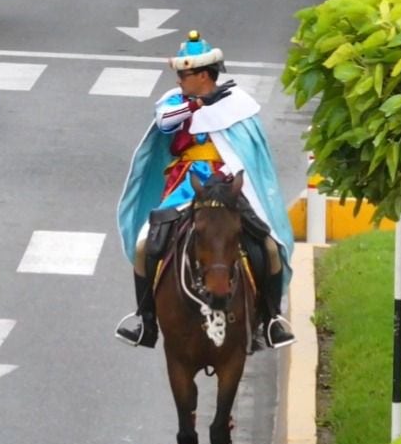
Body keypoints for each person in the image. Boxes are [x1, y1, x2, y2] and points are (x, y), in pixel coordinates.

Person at [115, 31, 297, 349]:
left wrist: (223, 176)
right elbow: (165, 123)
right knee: (146, 243)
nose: (179, 80)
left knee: (267, 245)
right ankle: (146, 320)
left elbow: (245, 156)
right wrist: (198, 104)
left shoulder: (238, 105)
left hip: (227, 186)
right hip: (184, 185)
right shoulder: (175, 101)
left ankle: (270, 319)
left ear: (203, 75)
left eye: (184, 75)